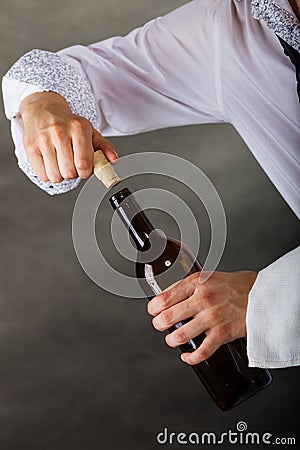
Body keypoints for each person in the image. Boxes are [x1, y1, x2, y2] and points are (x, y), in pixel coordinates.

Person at [2, 0, 300, 369]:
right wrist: (43, 107)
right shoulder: (235, 27)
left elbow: (263, 301)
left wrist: (265, 299)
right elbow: (85, 77)